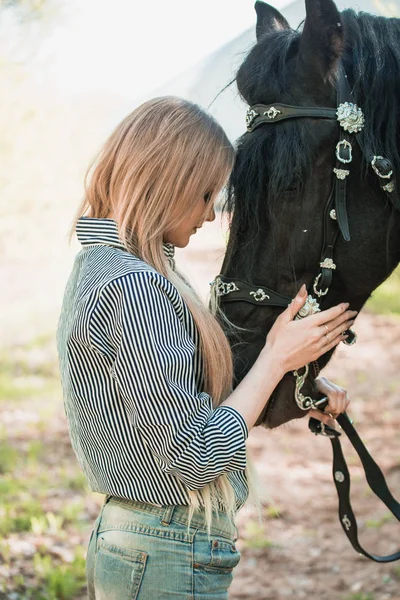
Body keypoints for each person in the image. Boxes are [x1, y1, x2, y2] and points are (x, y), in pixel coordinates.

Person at [56, 96, 355, 600]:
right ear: (166, 183)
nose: (211, 214)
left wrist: (297, 385)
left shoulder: (113, 269)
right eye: (205, 194)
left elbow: (176, 404)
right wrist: (277, 357)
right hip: (166, 547)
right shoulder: (132, 286)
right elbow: (191, 451)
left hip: (154, 545)